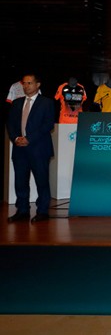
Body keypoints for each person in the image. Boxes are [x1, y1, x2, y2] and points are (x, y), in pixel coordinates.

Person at [7, 74, 55, 223]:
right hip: (19, 149)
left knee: (42, 181)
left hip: (39, 149)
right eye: (24, 83)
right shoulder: (16, 103)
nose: (26, 86)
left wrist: (29, 139)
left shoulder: (47, 103)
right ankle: (22, 211)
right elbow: (10, 124)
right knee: (20, 181)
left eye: (30, 83)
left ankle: (42, 212)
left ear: (38, 84)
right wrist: (16, 138)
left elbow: (48, 125)